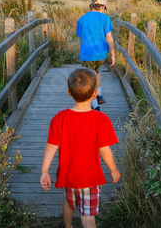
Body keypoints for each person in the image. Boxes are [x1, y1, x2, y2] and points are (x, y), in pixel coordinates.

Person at [40, 68, 120, 228]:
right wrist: (113, 169)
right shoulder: (101, 120)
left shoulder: (60, 118)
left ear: (69, 92)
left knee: (69, 203)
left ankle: (68, 226)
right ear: (95, 93)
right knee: (88, 216)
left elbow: (51, 146)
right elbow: (104, 149)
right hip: (90, 178)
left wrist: (44, 171)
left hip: (68, 175)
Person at [76, 0, 115, 111]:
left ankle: (95, 105)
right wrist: (113, 55)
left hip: (88, 54)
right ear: (102, 6)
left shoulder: (82, 19)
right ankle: (99, 95)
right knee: (96, 72)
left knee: (89, 78)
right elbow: (109, 37)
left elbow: (81, 38)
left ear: (92, 5)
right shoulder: (105, 18)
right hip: (102, 54)